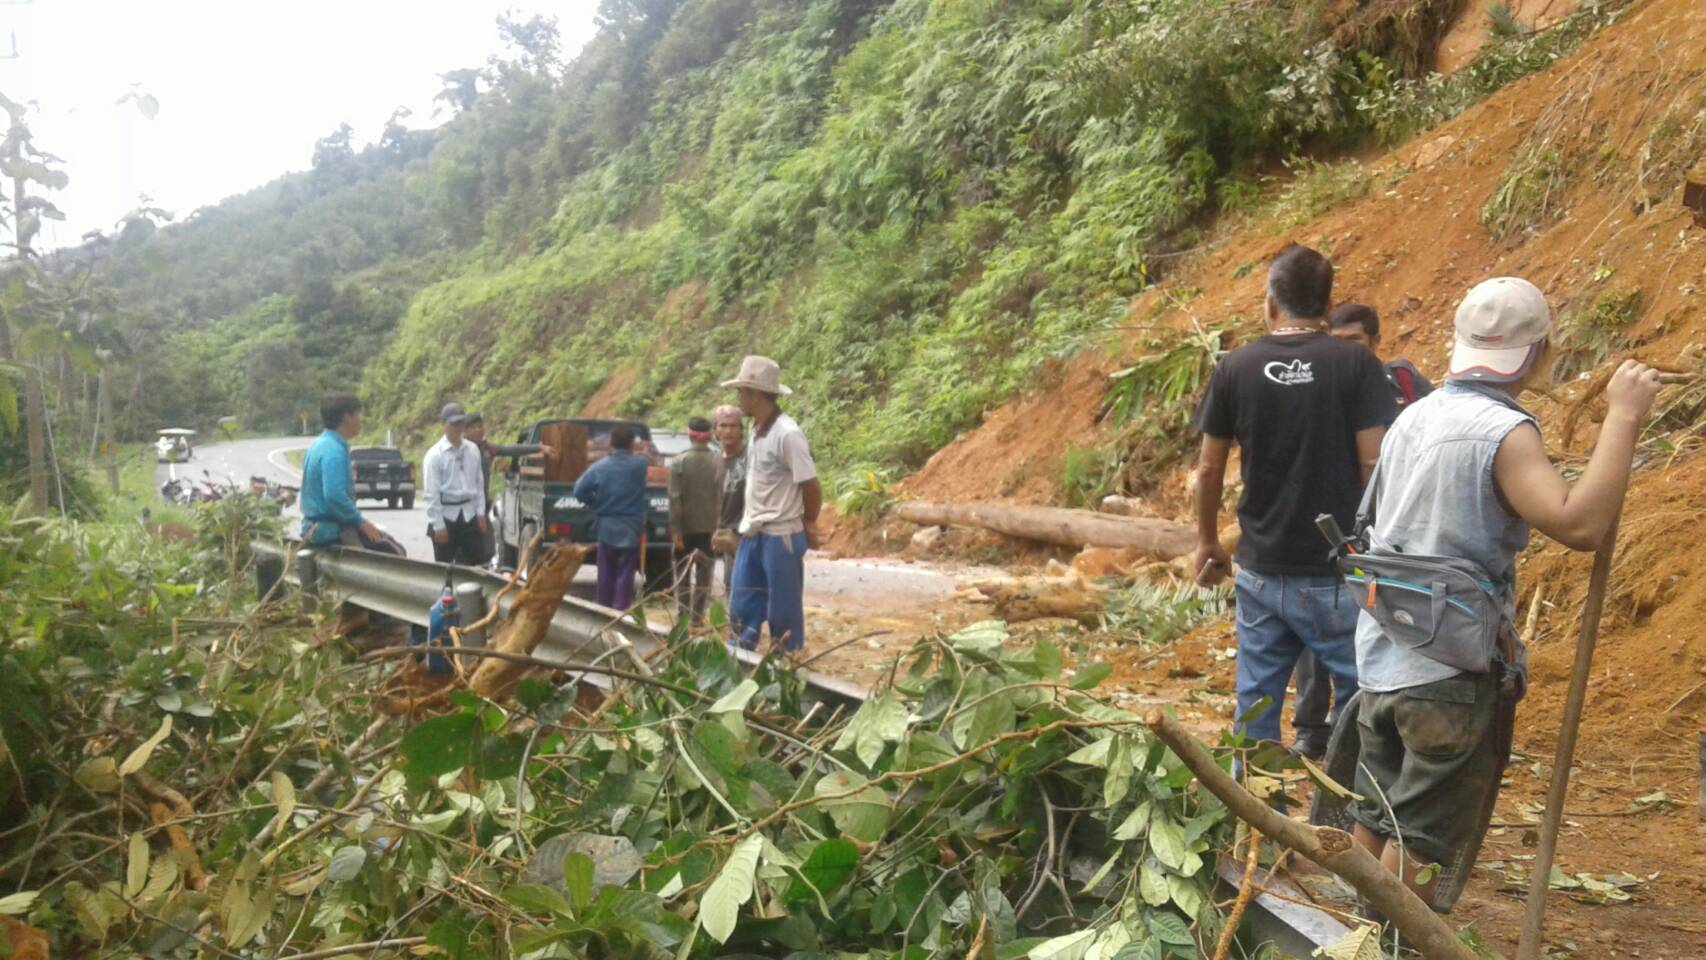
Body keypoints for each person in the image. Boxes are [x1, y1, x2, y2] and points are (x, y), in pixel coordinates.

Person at [1349, 278, 1661, 909]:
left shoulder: (1415, 416)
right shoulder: (1503, 431)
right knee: (1419, 838)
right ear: (1540, 353)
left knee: (1374, 813)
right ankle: (1386, 943)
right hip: (1447, 673)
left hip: (1383, 653)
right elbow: (1579, 525)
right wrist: (1623, 417)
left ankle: (1345, 935)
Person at [1193, 244, 1396, 748]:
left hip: (1260, 569)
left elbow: (1209, 467)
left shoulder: (1236, 366)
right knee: (1362, 694)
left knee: (1256, 700)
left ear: (1270, 303)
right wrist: (1381, 544)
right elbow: (1373, 463)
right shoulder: (1357, 364)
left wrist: (1207, 541)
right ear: (1327, 306)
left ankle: (1252, 797)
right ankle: (1349, 794)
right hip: (1338, 571)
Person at [1292, 302, 1440, 757]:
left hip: (1393, 525)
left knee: (1383, 620)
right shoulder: (1317, 389)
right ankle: (1311, 727)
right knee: (1319, 623)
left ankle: (1367, 725)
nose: (1346, 352)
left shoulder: (1405, 384)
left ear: (1375, 341)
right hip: (1332, 523)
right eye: (1336, 343)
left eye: (1354, 342)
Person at [724, 356, 820, 653]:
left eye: (741, 391)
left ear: (756, 394)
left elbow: (810, 484)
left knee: (783, 610)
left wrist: (809, 521)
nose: (738, 397)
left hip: (781, 535)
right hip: (754, 532)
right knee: (742, 604)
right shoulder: (756, 430)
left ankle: (786, 661)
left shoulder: (787, 435)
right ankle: (739, 657)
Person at [572, 423, 649, 610]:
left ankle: (603, 609)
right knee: (626, 572)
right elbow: (645, 456)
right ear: (632, 444)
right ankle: (621, 609)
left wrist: (595, 503)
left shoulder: (599, 467)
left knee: (606, 572)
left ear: (611, 444)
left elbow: (578, 490)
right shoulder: (640, 465)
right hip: (631, 527)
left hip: (606, 526)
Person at [300, 392, 390, 551]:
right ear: (347, 417)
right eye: (358, 414)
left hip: (313, 529)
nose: (360, 420)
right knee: (392, 552)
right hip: (331, 532)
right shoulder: (333, 451)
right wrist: (361, 522)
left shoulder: (318, 445)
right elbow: (334, 496)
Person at [464, 413, 553, 564]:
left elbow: (510, 450)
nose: (478, 430)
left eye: (480, 426)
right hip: (463, 507)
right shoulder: (460, 450)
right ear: (464, 431)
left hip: (481, 505)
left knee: (486, 550)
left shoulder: (486, 449)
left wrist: (538, 447)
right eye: (473, 427)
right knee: (466, 550)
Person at [1328, 302, 1435, 410]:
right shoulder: (1322, 388)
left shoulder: (1402, 376)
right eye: (1336, 340)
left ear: (1375, 342)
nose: (1344, 347)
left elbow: (1439, 413)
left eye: (1353, 339)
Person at [669, 416, 720, 625]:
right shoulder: (719, 461)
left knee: (682, 571)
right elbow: (722, 497)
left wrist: (676, 530)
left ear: (690, 434)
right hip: (710, 529)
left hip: (685, 529)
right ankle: (697, 617)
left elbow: (675, 498)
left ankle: (683, 615)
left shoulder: (679, 461)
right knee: (704, 573)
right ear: (710, 435)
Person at [422, 402, 487, 565]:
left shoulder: (472, 450)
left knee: (476, 566)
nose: (458, 428)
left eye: (461, 423)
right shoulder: (435, 455)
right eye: (454, 424)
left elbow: (479, 483)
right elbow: (431, 493)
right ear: (443, 424)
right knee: (445, 568)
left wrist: (480, 512)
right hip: (446, 515)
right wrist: (438, 525)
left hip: (469, 514)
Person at [711, 404, 748, 598]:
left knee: (745, 585)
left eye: (733, 426)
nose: (728, 431)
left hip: (751, 533)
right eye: (723, 426)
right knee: (731, 585)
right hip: (727, 534)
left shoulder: (751, 456)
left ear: (741, 429)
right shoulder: (716, 461)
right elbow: (718, 499)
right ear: (715, 431)